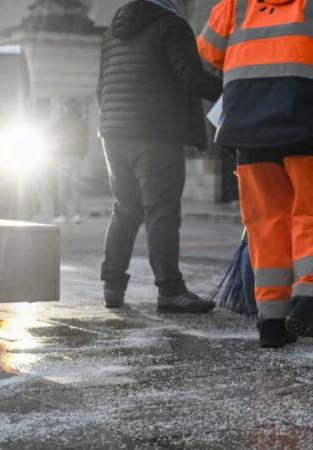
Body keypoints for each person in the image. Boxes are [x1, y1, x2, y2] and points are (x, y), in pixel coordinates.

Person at [197, 0, 313, 349]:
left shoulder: (235, 3)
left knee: (266, 222)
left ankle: (272, 321)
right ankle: (311, 303)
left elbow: (206, 54)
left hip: (246, 125)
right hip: (307, 119)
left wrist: (244, 88)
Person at [97, 0, 223, 312]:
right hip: (156, 132)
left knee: (125, 209)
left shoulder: (112, 31)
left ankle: (112, 286)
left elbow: (101, 87)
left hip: (113, 132)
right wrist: (233, 92)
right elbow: (190, 76)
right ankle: (170, 290)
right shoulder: (172, 25)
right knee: (161, 212)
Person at [53, 99, 87, 225]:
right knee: (75, 188)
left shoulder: (62, 121)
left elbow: (53, 133)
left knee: (62, 187)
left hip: (63, 157)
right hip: (76, 157)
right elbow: (85, 141)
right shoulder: (81, 122)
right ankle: (77, 215)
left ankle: (62, 215)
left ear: (66, 108)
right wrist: (81, 155)